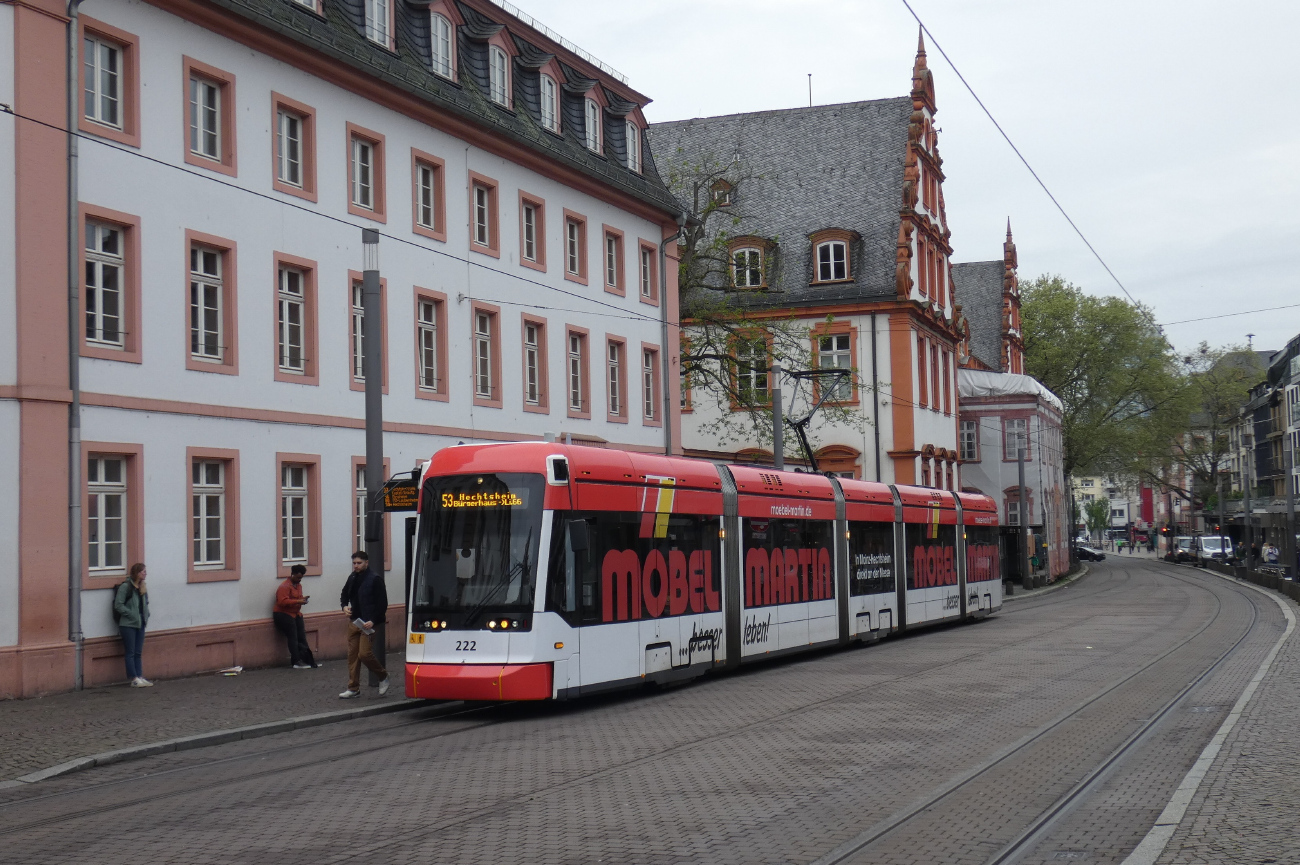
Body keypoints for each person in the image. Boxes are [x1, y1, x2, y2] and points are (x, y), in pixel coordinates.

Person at [338, 550, 389, 698]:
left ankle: (383, 676)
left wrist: (373, 620)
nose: (356, 566)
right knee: (352, 656)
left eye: (359, 563)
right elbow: (344, 593)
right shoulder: (352, 577)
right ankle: (353, 688)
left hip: (369, 624)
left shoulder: (375, 579)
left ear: (367, 563)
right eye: (354, 563)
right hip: (355, 621)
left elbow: (382, 603)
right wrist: (344, 606)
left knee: (364, 654)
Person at [273, 564, 317, 669]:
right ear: (292, 574)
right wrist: (298, 601)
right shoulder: (284, 586)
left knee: (302, 637)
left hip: (295, 614)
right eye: (298, 577)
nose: (299, 580)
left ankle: (306, 659)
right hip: (283, 614)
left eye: (301, 578)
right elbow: (282, 602)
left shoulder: (298, 585)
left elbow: (298, 597)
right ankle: (296, 661)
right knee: (293, 637)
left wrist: (302, 599)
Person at [114, 562, 152, 687]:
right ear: (136, 573)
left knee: (138, 652)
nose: (145, 573)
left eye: (145, 571)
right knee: (130, 652)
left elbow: (145, 605)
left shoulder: (143, 587)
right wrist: (131, 615)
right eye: (143, 571)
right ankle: (134, 678)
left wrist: (146, 615)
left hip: (140, 623)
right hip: (128, 624)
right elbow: (118, 605)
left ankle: (140, 676)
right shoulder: (126, 587)